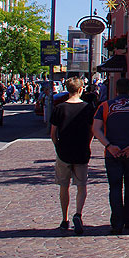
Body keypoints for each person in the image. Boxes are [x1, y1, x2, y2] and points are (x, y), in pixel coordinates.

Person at [92, 77, 129, 234]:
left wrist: (109, 145)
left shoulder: (105, 106)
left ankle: (117, 222)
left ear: (116, 90)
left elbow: (96, 129)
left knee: (115, 186)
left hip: (112, 152)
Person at [49, 77, 95, 236]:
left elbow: (53, 133)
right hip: (81, 151)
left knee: (64, 186)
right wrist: (87, 144)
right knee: (81, 185)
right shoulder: (88, 108)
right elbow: (91, 131)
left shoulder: (59, 108)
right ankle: (78, 214)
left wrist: (58, 146)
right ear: (81, 89)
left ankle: (64, 218)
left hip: (64, 152)